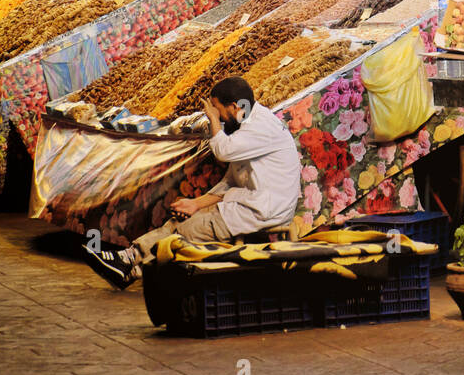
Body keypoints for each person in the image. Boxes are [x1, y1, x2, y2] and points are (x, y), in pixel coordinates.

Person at [84, 76, 304, 289]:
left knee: (189, 230)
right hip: (248, 202)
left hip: (264, 209)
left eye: (218, 110)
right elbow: (230, 182)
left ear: (235, 106)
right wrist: (195, 204)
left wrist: (213, 121)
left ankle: (134, 270)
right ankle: (127, 260)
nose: (217, 116)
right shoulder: (246, 124)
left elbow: (223, 151)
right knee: (181, 218)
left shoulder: (260, 127)